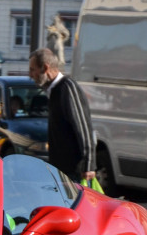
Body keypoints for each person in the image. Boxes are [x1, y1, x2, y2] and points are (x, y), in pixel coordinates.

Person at [29, 47, 96, 184]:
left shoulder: (67, 88)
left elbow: (84, 128)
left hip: (75, 172)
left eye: (33, 69)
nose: (30, 75)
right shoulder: (54, 91)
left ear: (45, 68)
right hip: (60, 170)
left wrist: (88, 165)